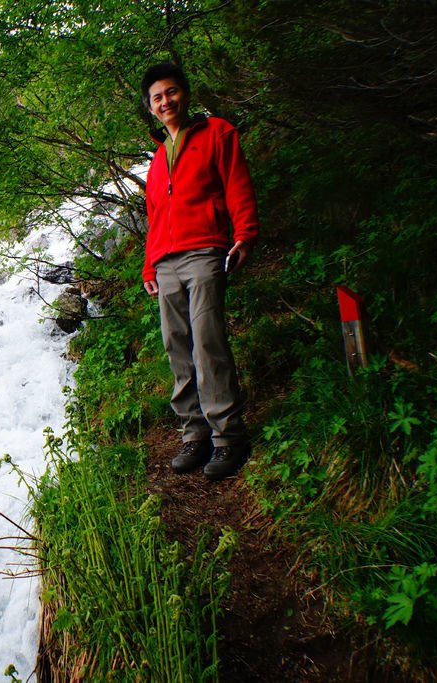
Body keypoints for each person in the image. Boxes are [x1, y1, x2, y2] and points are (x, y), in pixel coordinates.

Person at [139, 62, 258, 480]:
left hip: (205, 250)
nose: (165, 101)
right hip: (166, 261)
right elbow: (155, 215)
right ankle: (195, 433)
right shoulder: (156, 159)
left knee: (208, 342)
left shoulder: (217, 133)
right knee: (177, 346)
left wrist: (244, 234)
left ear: (185, 95)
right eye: (157, 97)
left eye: (171, 92)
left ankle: (228, 438)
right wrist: (147, 264)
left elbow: (236, 184)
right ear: (151, 108)